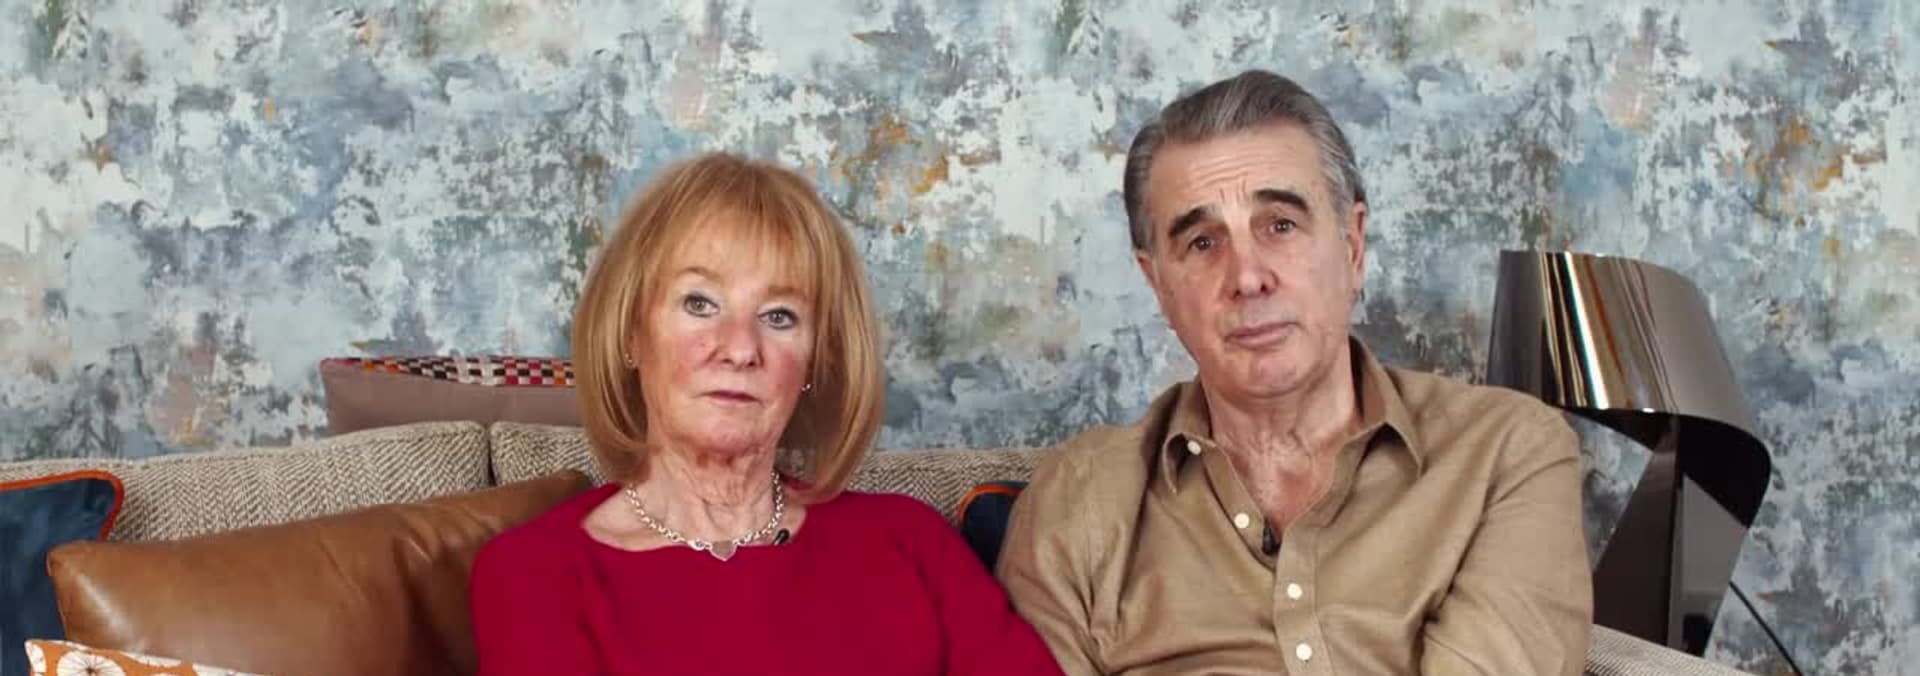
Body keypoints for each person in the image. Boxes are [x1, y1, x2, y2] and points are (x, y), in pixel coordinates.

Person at [996, 70, 1592, 675]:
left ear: (1352, 246)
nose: (1247, 277)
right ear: (1158, 285)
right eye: (1202, 242)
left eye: (1280, 225)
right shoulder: (1079, 502)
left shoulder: (1504, 453)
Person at [469, 152, 1062, 675]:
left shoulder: (910, 542)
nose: (740, 348)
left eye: (779, 316)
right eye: (700, 303)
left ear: (812, 363)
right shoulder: (535, 575)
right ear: (632, 334)